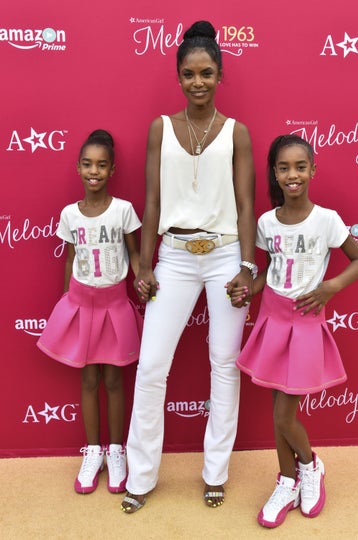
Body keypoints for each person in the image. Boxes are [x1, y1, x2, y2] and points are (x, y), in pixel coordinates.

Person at [120, 20, 256, 514]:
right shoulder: (160, 127)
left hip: (224, 256)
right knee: (152, 365)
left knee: (224, 364)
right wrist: (144, 263)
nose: (198, 82)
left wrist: (247, 266)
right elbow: (152, 200)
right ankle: (141, 475)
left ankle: (215, 473)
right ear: (178, 76)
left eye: (206, 73)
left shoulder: (237, 133)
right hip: (174, 257)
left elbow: (246, 203)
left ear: (220, 75)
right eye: (189, 74)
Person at [228, 134, 358, 528]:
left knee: (283, 416)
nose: (293, 175)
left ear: (312, 170)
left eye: (300, 167)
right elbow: (269, 271)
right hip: (273, 321)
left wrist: (330, 287)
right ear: (275, 173)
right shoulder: (266, 222)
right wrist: (248, 290)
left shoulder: (327, 220)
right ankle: (287, 481)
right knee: (278, 411)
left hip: (305, 323)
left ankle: (309, 465)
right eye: (284, 168)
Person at [37, 129, 147, 495]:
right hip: (81, 305)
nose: (94, 171)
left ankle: (116, 450)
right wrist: (65, 303)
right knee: (88, 380)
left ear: (112, 169)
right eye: (87, 164)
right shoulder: (70, 214)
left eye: (101, 165)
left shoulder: (123, 210)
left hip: (115, 305)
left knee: (113, 381)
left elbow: (134, 253)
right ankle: (93, 452)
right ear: (78, 168)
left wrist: (143, 277)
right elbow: (70, 259)